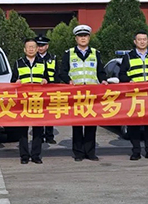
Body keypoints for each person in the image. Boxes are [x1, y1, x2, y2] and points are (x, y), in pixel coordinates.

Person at [59, 25, 108, 162]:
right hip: (76, 94)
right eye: (80, 36)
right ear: (76, 38)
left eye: (85, 36)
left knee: (91, 124)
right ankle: (78, 153)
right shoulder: (69, 53)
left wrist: (103, 80)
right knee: (77, 124)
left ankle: (91, 152)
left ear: (89, 38)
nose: (83, 38)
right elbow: (62, 71)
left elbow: (100, 71)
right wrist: (68, 81)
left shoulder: (95, 53)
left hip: (92, 94)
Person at [119, 31, 148, 161]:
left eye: (144, 39)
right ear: (135, 42)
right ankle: (136, 151)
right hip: (135, 96)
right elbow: (121, 75)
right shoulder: (128, 57)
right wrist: (129, 81)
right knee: (134, 125)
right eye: (140, 39)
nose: (142, 41)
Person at [11, 38, 48, 164]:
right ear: (24, 49)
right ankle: (24, 156)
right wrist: (16, 83)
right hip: (23, 101)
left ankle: (36, 155)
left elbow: (49, 80)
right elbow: (12, 81)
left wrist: (45, 81)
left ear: (37, 49)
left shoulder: (43, 63)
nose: (31, 49)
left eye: (33, 46)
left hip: (38, 100)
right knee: (23, 130)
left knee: (38, 130)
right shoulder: (18, 63)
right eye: (29, 47)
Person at [36, 34, 59, 144]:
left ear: (47, 46)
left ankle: (49, 136)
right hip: (37, 90)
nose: (40, 47)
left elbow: (57, 73)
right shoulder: (33, 58)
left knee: (50, 113)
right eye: (38, 45)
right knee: (39, 112)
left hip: (51, 89)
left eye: (43, 45)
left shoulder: (53, 58)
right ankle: (39, 136)